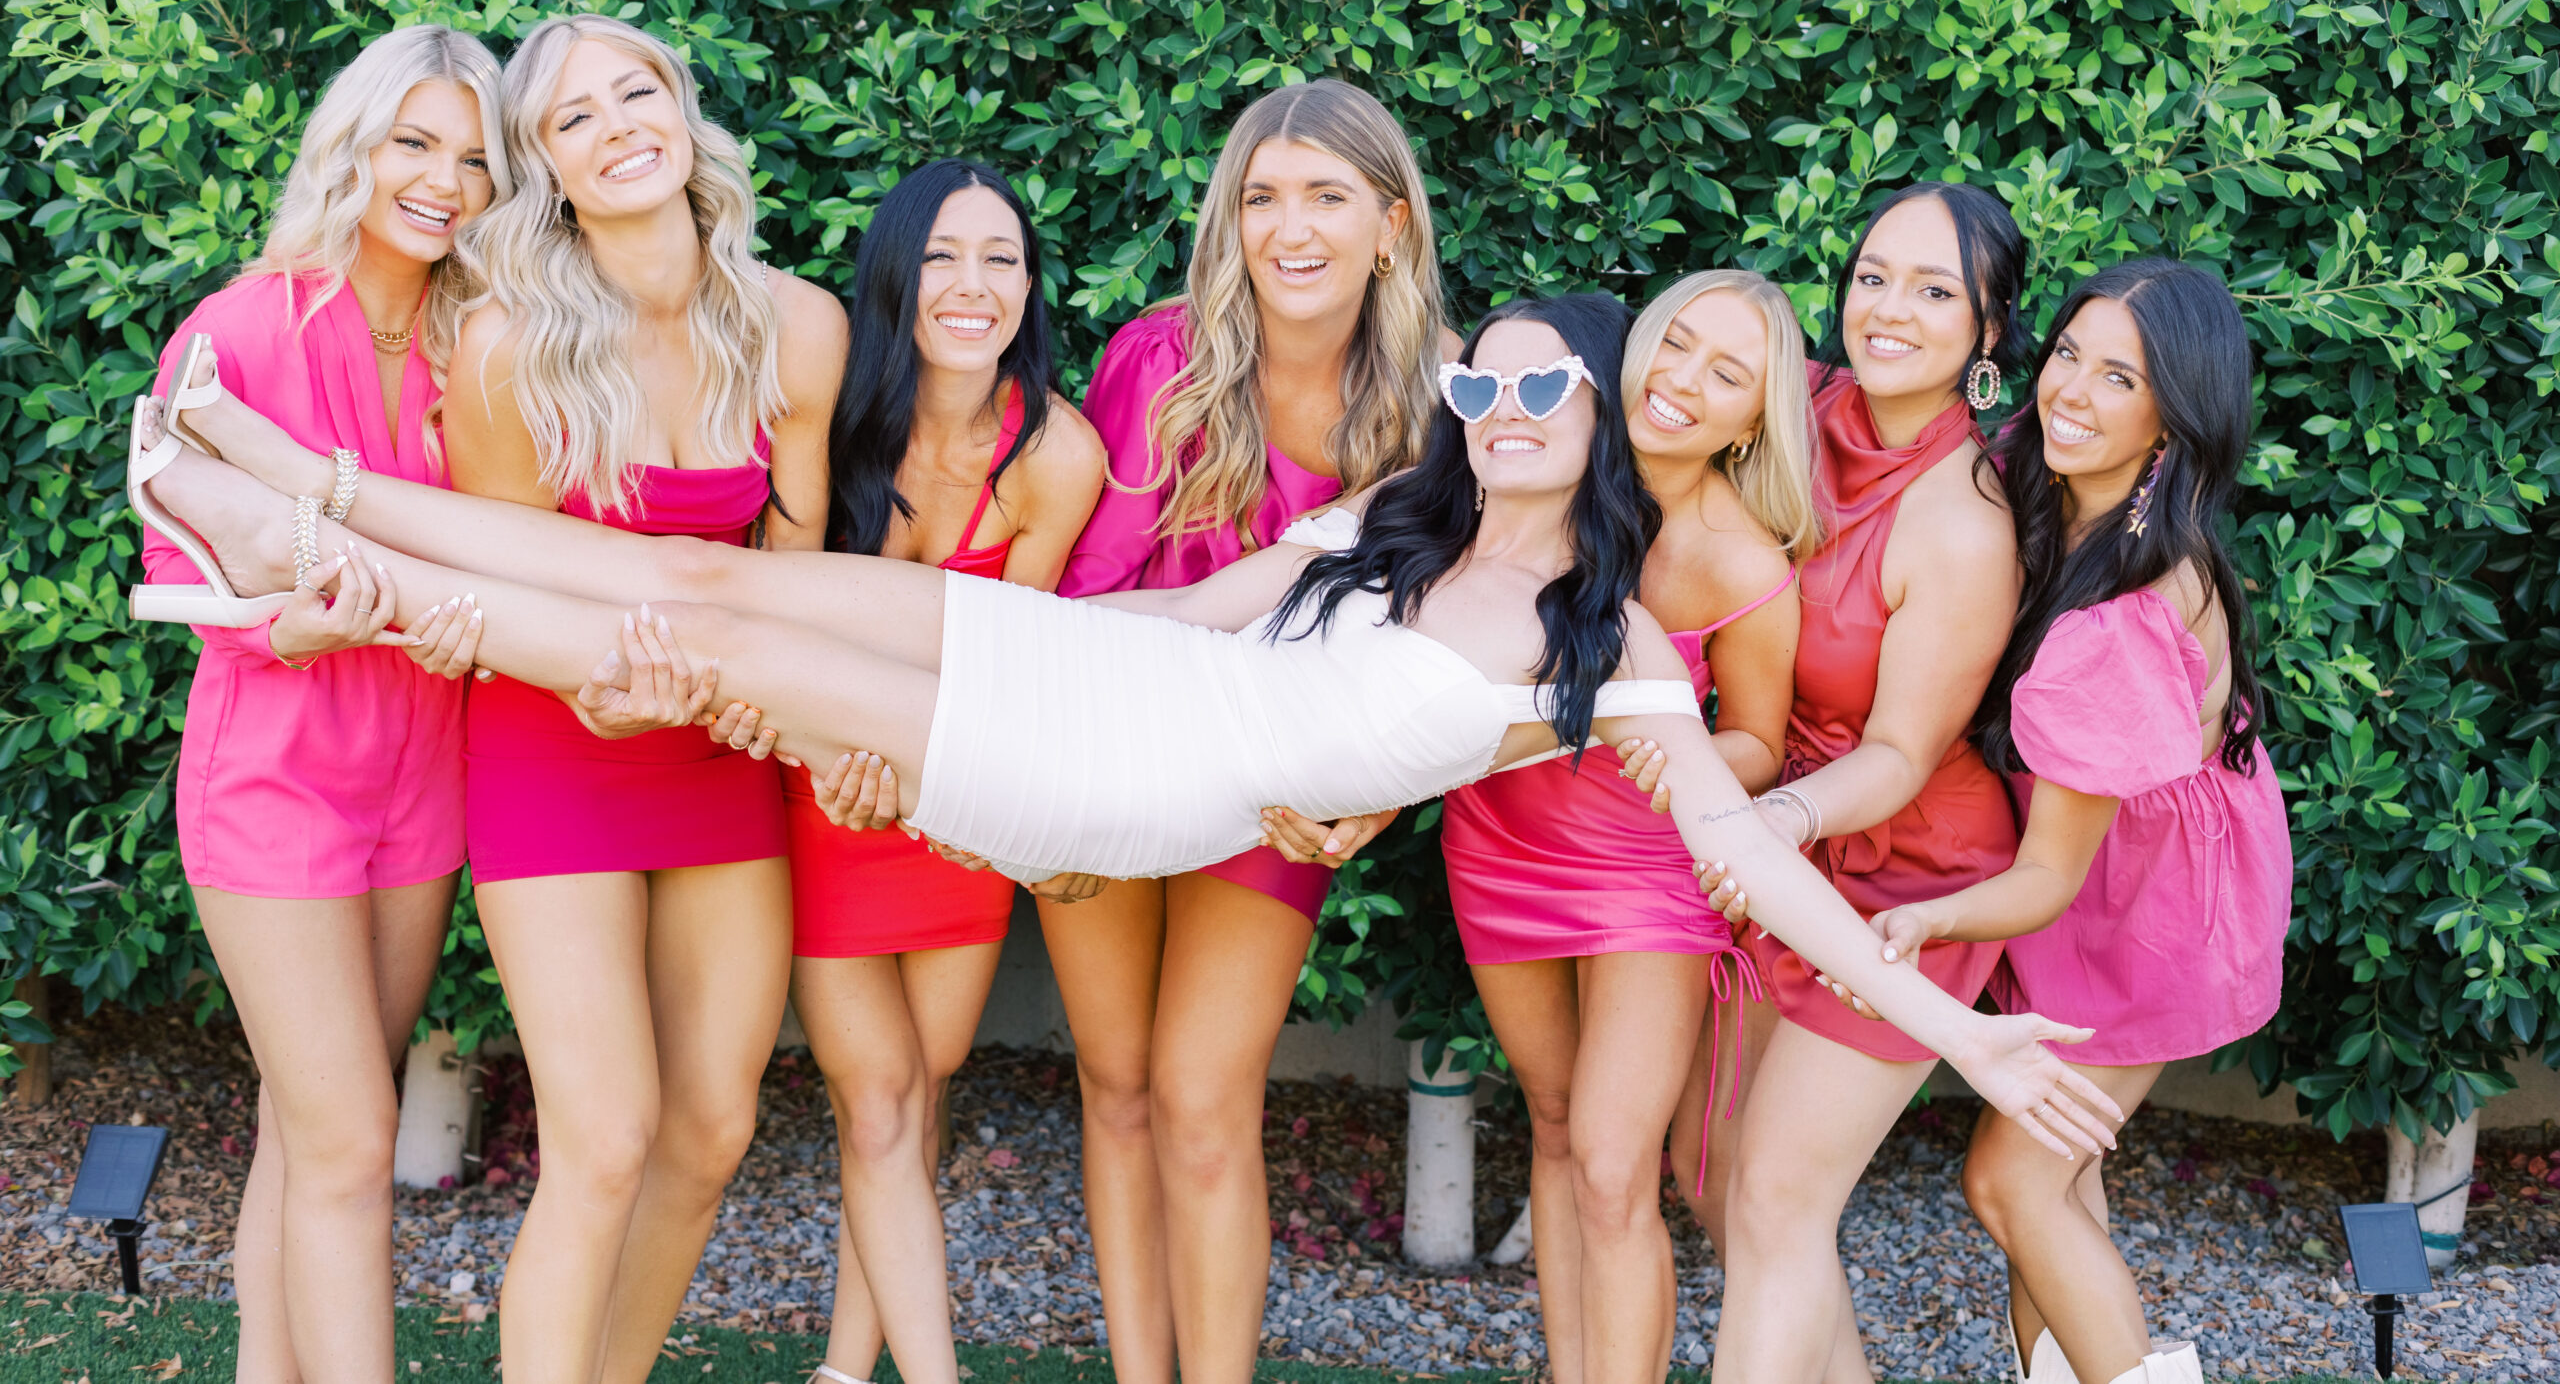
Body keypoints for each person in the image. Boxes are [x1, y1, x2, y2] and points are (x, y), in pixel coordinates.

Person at [133, 298, 2127, 1188]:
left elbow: (1749, 858)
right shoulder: (1391, 523)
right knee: (734, 594)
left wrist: (1954, 1027)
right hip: (1084, 671)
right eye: (1484, 370)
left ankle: (311, 555)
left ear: (1600, 424)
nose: (1507, 396)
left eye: (1549, 380)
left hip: (1107, 781)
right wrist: (994, 629)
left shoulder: (1608, 657)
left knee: (680, 638)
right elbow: (1185, 621)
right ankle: (305, 478)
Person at [439, 14, 845, 1383]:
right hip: (556, 741)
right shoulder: (503, 348)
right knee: (604, 1132)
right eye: (573, 118)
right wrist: (603, 695)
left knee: (713, 1123)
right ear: (542, 165)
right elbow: (498, 582)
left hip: (720, 746)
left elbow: (793, 580)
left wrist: (758, 705)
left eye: (637, 93)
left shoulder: (796, 326)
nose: (618, 128)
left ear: (682, 109)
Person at [1044, 78, 1450, 1384]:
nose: (1291, 226)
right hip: (1107, 754)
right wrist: (1039, 786)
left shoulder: (1448, 409)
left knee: (1206, 1103)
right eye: (1262, 196)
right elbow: (1093, 599)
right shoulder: (1159, 358)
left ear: (1390, 223)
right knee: (1115, 1087)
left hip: (1274, 788)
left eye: (1326, 195)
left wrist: (1373, 800)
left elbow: (1452, 653)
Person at [1821, 261, 2288, 1384]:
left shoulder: (2118, 622)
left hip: (2141, 918)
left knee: (2012, 1183)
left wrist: (1907, 929)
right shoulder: (2062, 505)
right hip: (2115, 880)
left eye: (2118, 376)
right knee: (2059, 1185)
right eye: (2069, 352)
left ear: (2172, 417)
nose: (2071, 389)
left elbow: (2044, 880)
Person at [1357, 269, 1810, 1384]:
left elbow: (1758, 740)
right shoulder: (1532, 468)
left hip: (1641, 862)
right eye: (1676, 347)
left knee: (1613, 1165)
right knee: (1555, 1132)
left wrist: (1656, 747)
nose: (1685, 383)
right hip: (1499, 839)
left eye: (1728, 373)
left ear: (1758, 417)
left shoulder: (1737, 559)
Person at [135, 24, 507, 1380]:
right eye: (415, 141)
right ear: (355, 145)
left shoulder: (486, 339)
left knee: (310, 1130)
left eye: (474, 156)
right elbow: (176, 553)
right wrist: (289, 620)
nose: (444, 180)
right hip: (278, 771)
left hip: (424, 775)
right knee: (353, 1141)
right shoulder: (242, 325)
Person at [702, 158, 1104, 1384]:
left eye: (1000, 259)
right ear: (895, 276)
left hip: (955, 810)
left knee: (910, 1105)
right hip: (823, 796)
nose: (973, 286)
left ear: (1029, 288)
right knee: (876, 1103)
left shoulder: (1057, 457)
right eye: (941, 257)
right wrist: (840, 760)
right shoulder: (836, 412)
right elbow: (770, 621)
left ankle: (841, 1370)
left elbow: (1007, 670)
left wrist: (935, 785)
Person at [1692, 181, 2036, 1384]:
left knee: (1779, 1202)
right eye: (1873, 276)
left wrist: (1772, 817)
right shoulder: (1790, 410)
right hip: (1764, 830)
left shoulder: (1964, 518)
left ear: (1989, 333)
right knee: (1720, 1184)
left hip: (1906, 867)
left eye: (1935, 291)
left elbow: (1894, 757)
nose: (1887, 309)